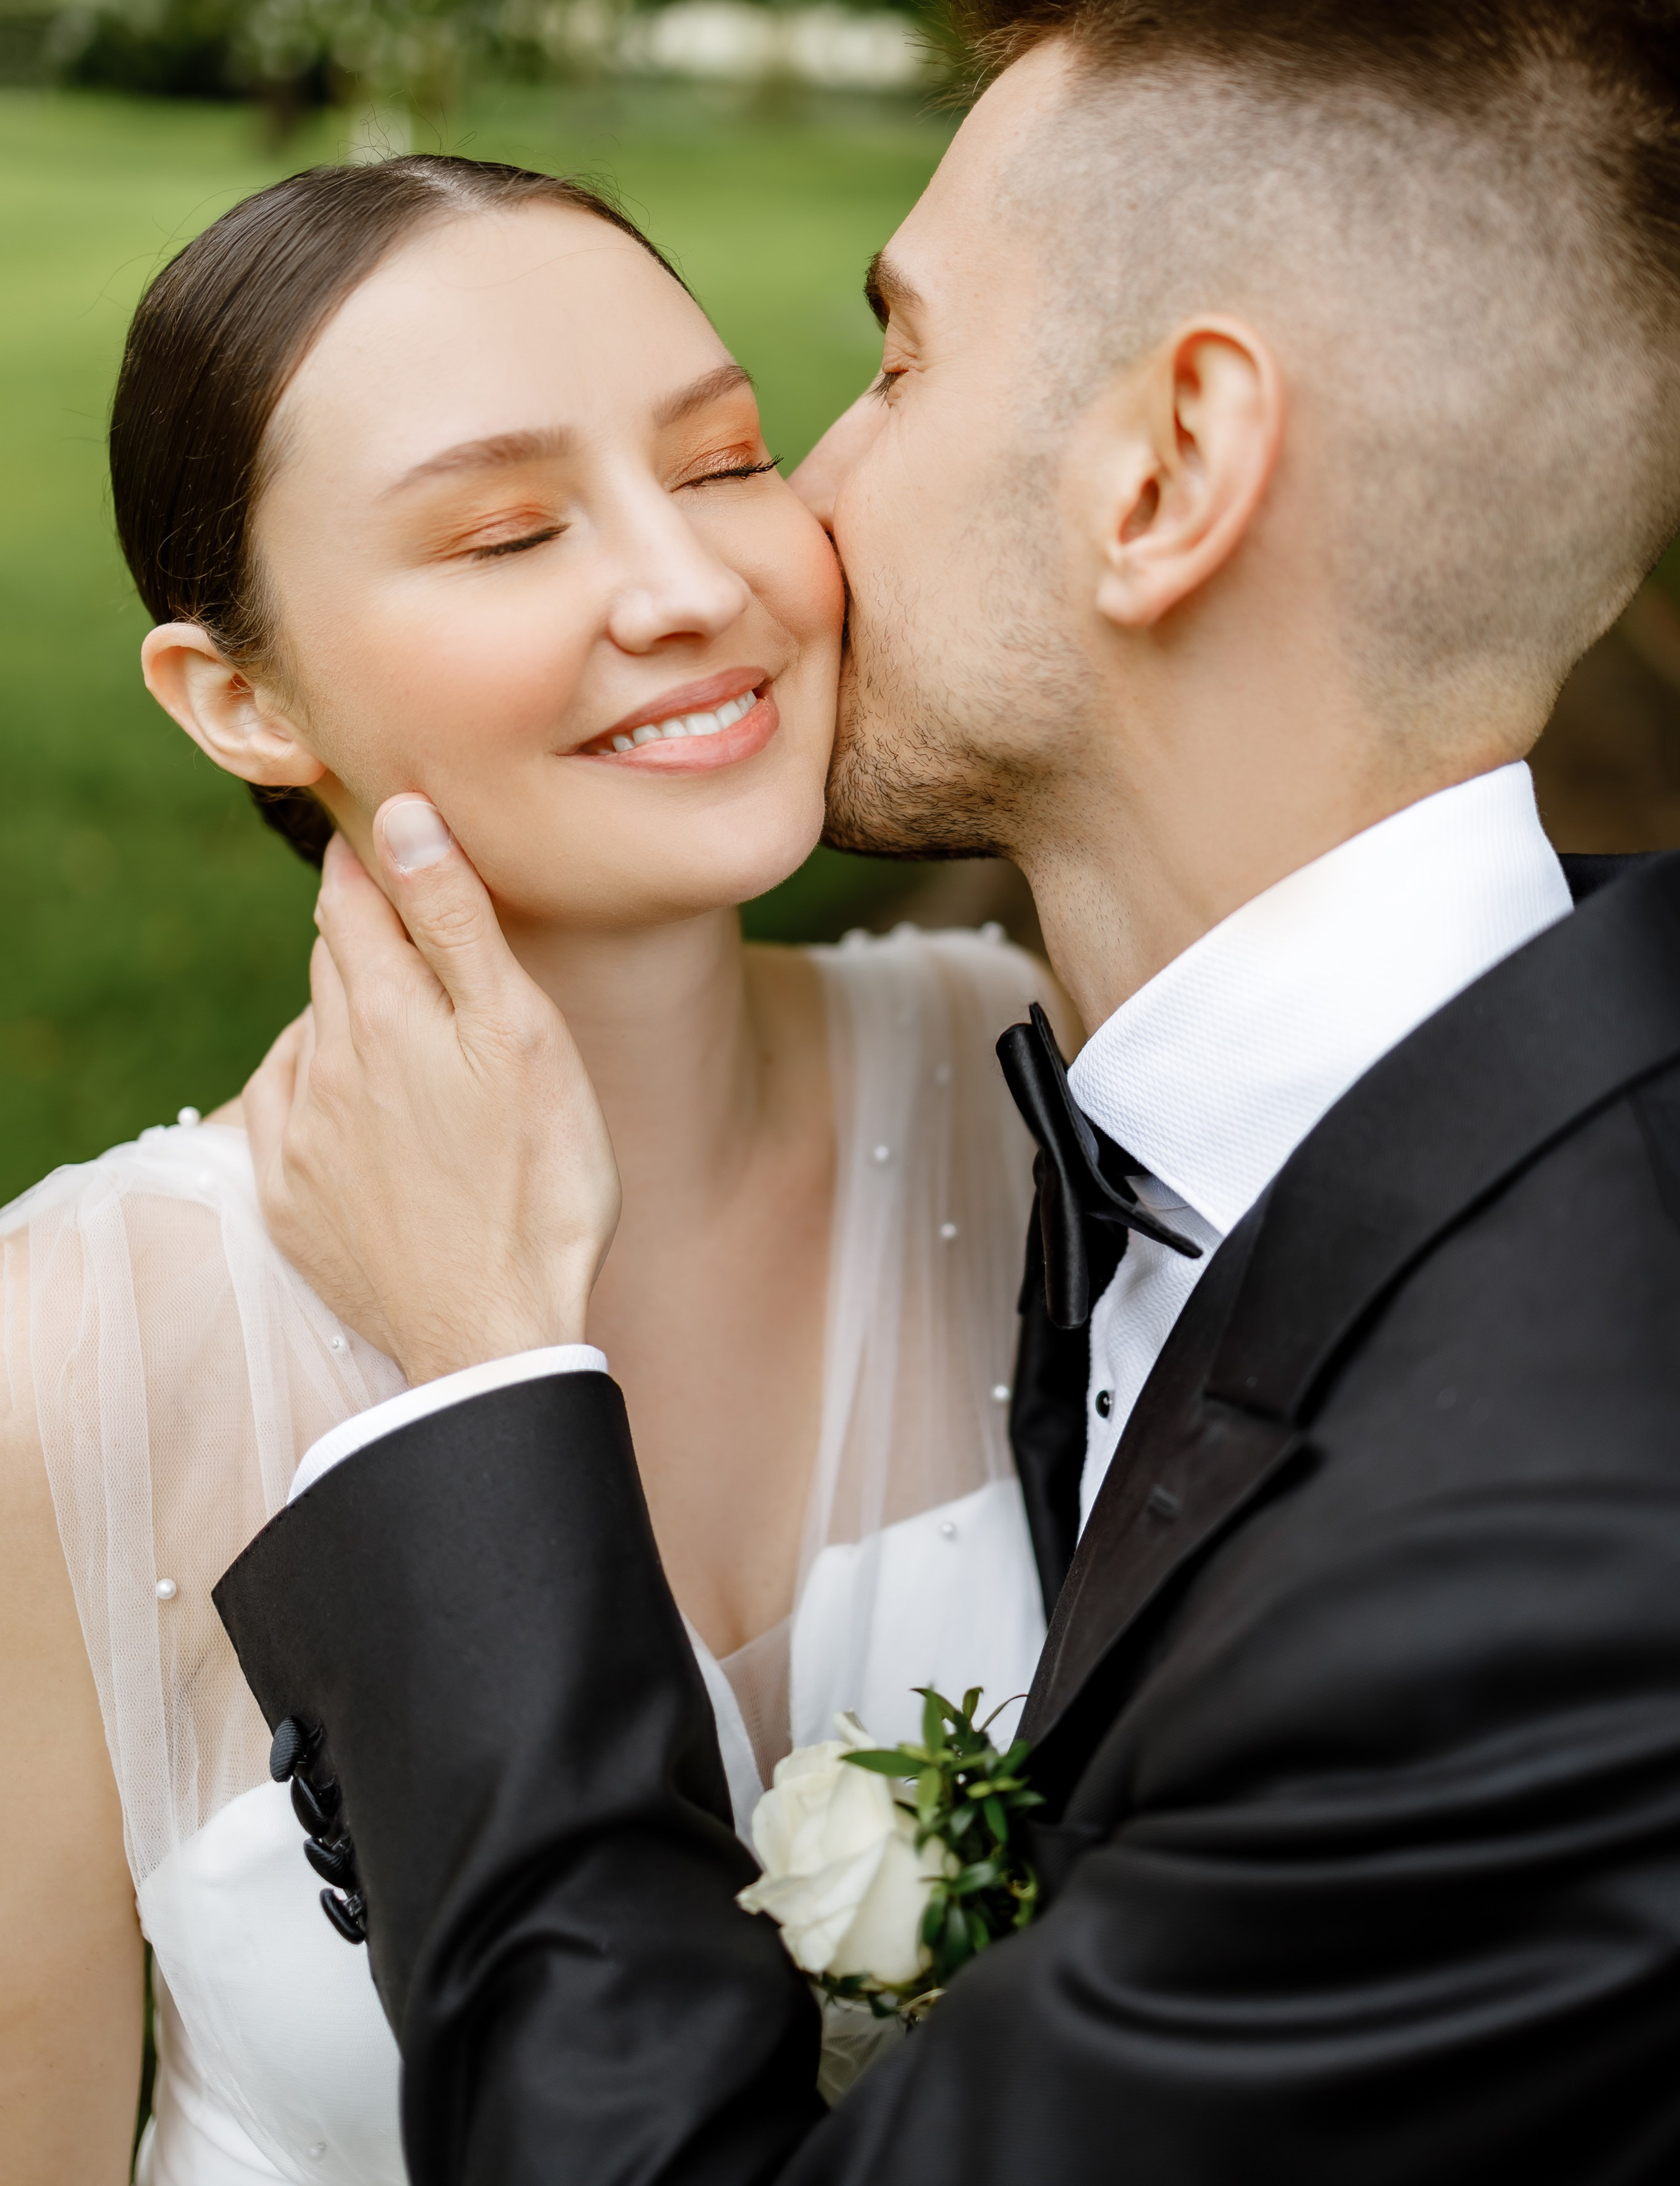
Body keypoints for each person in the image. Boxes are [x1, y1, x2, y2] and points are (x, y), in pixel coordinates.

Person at [217, 0, 1680, 2183]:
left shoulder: (1545, 1572)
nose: (793, 505)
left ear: (1170, 471)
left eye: (895, 365)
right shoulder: (1368, 1124)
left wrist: (479, 1388)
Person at [0, 156, 1063, 2183]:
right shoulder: (60, 1378)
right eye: (506, 533)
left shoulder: (1037, 1078)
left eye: (730, 459)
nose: (685, 587)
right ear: (238, 698)